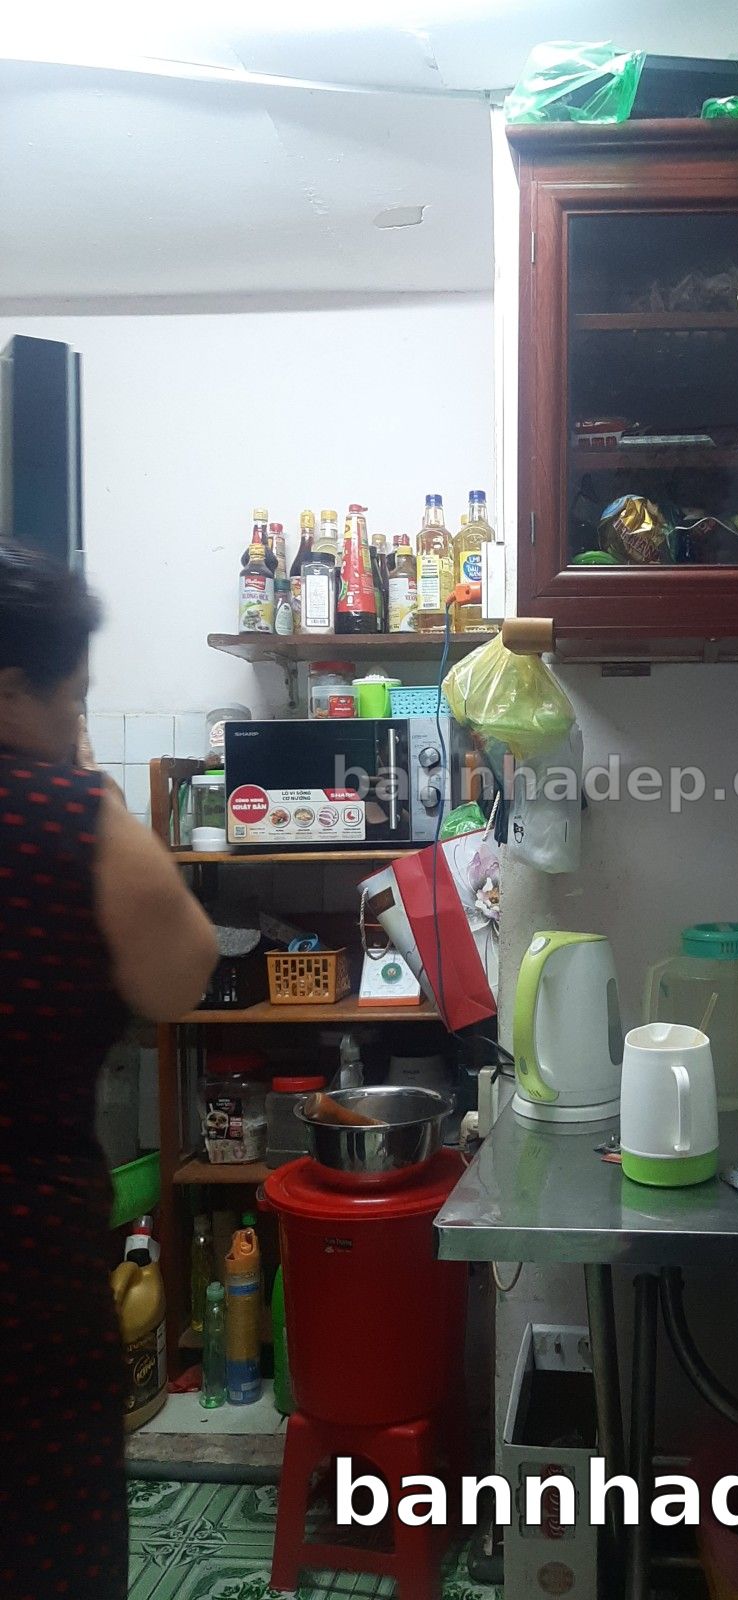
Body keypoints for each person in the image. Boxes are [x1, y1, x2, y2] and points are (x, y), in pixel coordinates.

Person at [0, 545, 217, 1600]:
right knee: (46, 1544)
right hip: (24, 1267)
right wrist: (90, 784)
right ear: (13, 688)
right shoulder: (63, 819)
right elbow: (183, 975)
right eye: (73, 699)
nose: (76, 720)